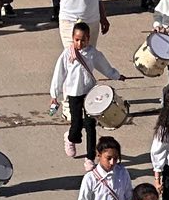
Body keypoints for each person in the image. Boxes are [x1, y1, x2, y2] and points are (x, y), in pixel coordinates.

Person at [50, 23, 121, 159]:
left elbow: (105, 67)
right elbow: (59, 74)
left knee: (90, 126)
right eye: (77, 39)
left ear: (88, 39)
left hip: (90, 93)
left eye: (83, 40)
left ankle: (90, 158)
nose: (80, 43)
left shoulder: (93, 54)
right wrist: (54, 95)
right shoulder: (67, 54)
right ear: (72, 38)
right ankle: (70, 137)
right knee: (76, 124)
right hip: (74, 94)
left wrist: (116, 75)